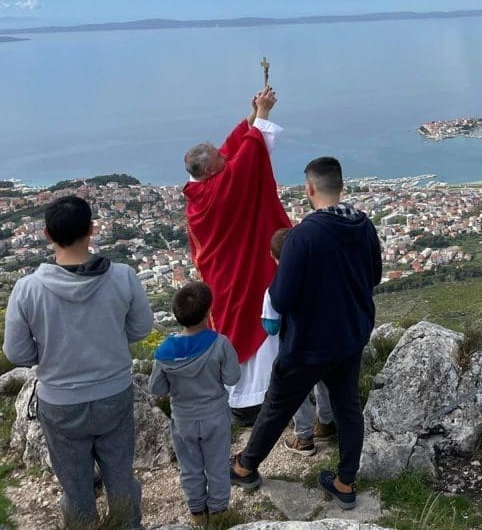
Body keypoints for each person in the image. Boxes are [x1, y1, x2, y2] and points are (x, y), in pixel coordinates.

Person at [231, 156, 382, 509]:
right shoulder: (364, 225)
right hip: (351, 335)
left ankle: (245, 466)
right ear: (341, 187)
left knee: (277, 405)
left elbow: (281, 299)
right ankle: (345, 482)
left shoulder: (301, 237)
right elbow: (373, 275)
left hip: (309, 344)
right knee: (348, 408)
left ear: (309, 189)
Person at [2, 196, 153, 530]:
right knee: (120, 477)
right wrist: (110, 339)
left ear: (46, 235)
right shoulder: (123, 277)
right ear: (92, 229)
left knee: (75, 485)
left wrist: (51, 353)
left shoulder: (27, 290)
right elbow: (141, 328)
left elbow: (17, 353)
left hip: (60, 400)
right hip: (113, 392)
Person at [183, 86, 291, 422]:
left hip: (223, 275)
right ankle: (258, 400)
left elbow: (235, 146)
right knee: (258, 327)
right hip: (246, 270)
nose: (225, 156)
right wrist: (264, 113)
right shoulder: (225, 187)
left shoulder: (198, 190)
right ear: (212, 171)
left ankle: (241, 399)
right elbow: (248, 154)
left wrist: (253, 113)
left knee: (238, 327)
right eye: (219, 159)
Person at [149, 283, 240, 526]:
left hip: (183, 419)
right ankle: (219, 512)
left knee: (190, 467)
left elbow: (156, 389)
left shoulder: (164, 352)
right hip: (215, 415)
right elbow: (232, 378)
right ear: (209, 312)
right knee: (218, 465)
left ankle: (197, 512)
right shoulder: (220, 343)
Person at [263, 227, 335, 457]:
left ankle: (304, 438)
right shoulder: (320, 279)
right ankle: (325, 423)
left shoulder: (273, 290)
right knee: (323, 384)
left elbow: (271, 327)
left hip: (294, 349)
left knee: (297, 393)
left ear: (273, 257)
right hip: (323, 344)